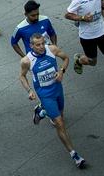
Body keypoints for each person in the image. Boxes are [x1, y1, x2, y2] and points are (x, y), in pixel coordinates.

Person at [20, 33, 85, 167]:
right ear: (31, 45)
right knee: (59, 123)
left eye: (43, 43)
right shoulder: (26, 60)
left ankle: (42, 111)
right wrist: (29, 90)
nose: (42, 47)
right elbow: (22, 76)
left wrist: (61, 71)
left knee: (61, 114)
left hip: (57, 90)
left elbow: (66, 58)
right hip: (45, 94)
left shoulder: (52, 49)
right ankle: (74, 155)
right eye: (38, 45)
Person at [67, 0, 104, 74]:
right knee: (92, 62)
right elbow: (68, 14)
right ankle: (79, 59)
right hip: (87, 36)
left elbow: (98, 6)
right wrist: (83, 18)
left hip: (101, 31)